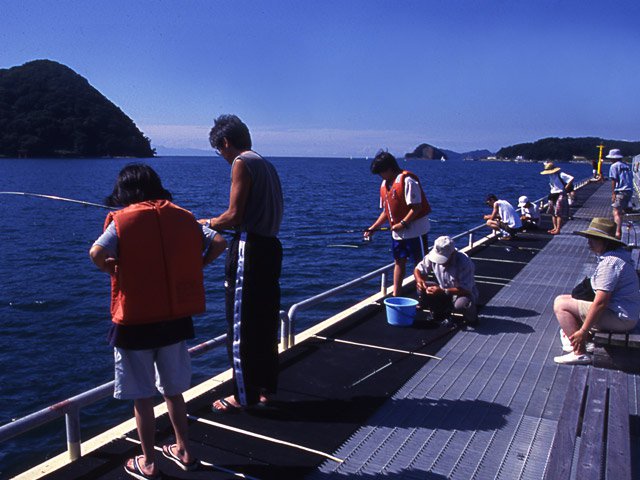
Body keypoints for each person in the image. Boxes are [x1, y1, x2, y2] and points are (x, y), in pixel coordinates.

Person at [89, 164, 226, 479]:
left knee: (142, 395)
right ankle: (184, 450)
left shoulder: (122, 220)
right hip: (174, 320)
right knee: (173, 391)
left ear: (126, 192)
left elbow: (96, 252)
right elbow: (220, 242)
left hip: (134, 323)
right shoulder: (184, 217)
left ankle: (148, 461)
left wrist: (112, 269)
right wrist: (199, 264)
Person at [199, 114, 284, 412]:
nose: (222, 157)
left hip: (250, 249)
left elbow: (234, 216)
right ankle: (264, 390)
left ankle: (243, 396)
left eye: (219, 150)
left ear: (225, 142)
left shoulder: (241, 163)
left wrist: (205, 222)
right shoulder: (266, 164)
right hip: (271, 248)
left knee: (240, 325)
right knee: (264, 322)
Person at [553, 217, 640, 365]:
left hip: (621, 319)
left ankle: (579, 352)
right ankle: (582, 343)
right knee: (566, 298)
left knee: (560, 304)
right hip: (627, 313)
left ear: (605, 241)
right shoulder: (618, 255)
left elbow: (601, 302)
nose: (589, 242)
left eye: (594, 239)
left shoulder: (610, 263)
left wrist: (583, 331)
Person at [364, 151, 431, 296]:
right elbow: (386, 212)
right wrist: (373, 228)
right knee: (399, 262)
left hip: (416, 232)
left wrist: (403, 223)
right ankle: (396, 294)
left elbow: (416, 207)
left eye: (381, 172)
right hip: (398, 234)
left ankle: (423, 297)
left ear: (389, 168)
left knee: (420, 265)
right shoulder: (384, 184)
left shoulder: (407, 181)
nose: (380, 176)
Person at [414, 235, 479, 326]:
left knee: (461, 304)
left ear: (452, 254)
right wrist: (419, 281)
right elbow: (418, 269)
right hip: (443, 289)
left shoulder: (464, 262)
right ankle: (439, 311)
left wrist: (443, 291)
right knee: (423, 288)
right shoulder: (431, 255)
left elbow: (466, 289)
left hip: (462, 293)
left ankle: (472, 318)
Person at [540, 161, 574, 235]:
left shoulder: (560, 174)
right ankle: (554, 227)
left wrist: (566, 187)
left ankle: (558, 229)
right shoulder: (551, 175)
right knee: (552, 212)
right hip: (552, 194)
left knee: (558, 212)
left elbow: (571, 178)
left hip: (560, 193)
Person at [607, 148, 633, 239]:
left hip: (621, 191)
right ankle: (626, 228)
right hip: (629, 190)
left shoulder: (614, 166)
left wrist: (613, 193)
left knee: (616, 211)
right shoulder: (626, 165)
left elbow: (614, 180)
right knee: (623, 211)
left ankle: (617, 233)